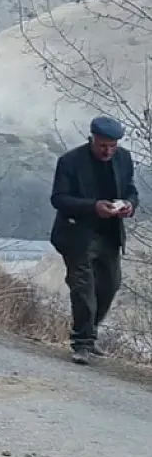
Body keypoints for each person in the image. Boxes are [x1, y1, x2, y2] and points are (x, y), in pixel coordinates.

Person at [49, 115, 139, 365]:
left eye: (112, 146)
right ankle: (82, 343)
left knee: (110, 286)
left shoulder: (124, 159)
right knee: (83, 289)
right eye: (103, 146)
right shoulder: (70, 161)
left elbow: (131, 190)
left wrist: (129, 205)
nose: (108, 151)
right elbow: (59, 199)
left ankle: (90, 333)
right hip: (76, 235)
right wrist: (93, 207)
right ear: (92, 139)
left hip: (109, 235)